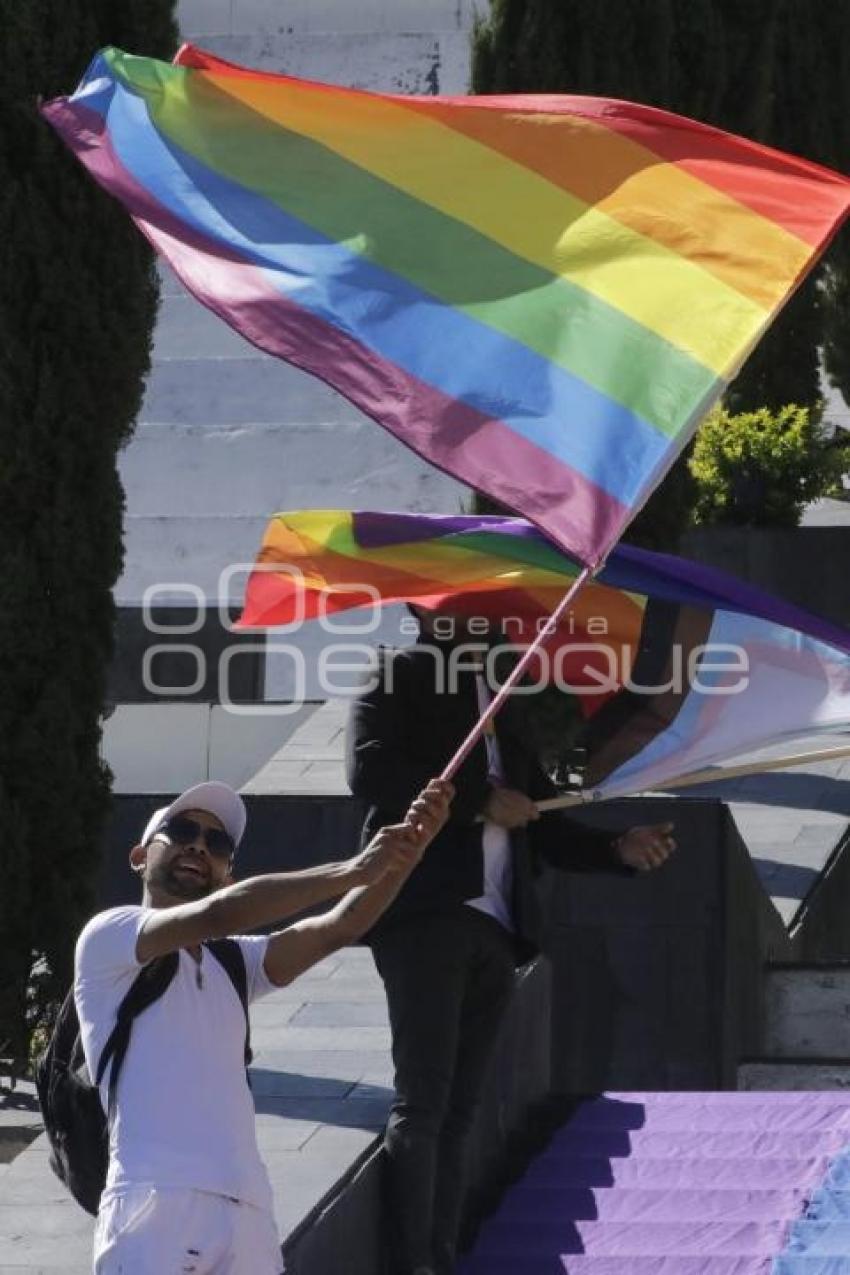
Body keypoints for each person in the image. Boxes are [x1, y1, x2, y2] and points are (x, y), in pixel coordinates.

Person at [346, 615, 676, 1275]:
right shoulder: (398, 672)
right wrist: (477, 801)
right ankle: (414, 1261)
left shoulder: (505, 705)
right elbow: (371, 770)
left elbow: (543, 822)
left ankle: (440, 1253)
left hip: (498, 928)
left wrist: (617, 847)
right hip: (427, 913)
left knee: (461, 1109)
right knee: (425, 1097)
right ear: (432, 617)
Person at [74, 775, 453, 1275]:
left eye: (217, 842)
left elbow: (340, 927)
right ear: (140, 856)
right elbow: (224, 913)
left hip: (248, 1211)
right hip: (155, 1203)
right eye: (182, 830)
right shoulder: (109, 937)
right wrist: (352, 869)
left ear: (229, 870)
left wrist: (407, 854)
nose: (198, 846)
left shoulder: (233, 962)